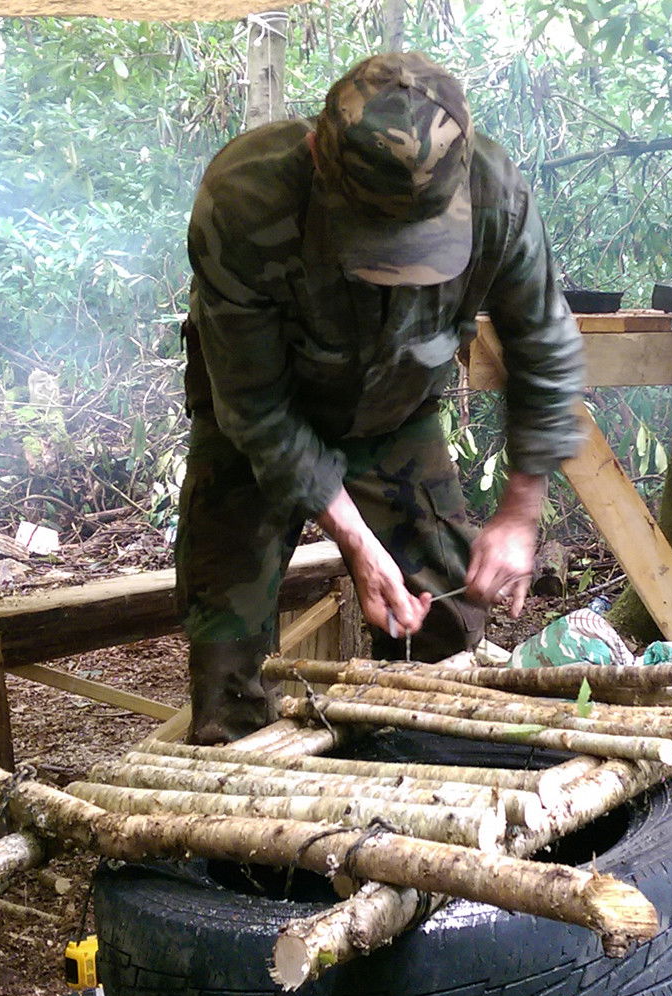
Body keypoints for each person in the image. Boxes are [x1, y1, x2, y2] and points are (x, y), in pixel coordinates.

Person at [177, 52, 587, 745]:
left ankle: (423, 783)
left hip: (395, 416)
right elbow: (255, 410)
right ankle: (247, 823)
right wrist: (358, 546)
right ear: (316, 153)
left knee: (448, 623)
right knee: (228, 648)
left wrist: (521, 512)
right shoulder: (245, 199)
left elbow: (543, 347)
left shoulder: (496, 195)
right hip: (255, 431)